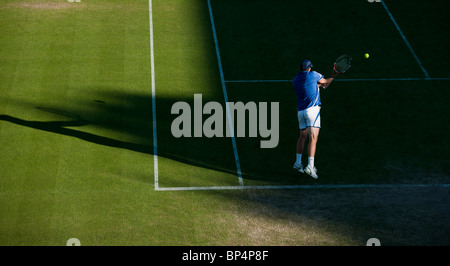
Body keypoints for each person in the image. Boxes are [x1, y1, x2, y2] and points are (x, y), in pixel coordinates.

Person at [292, 59, 333, 179]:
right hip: (312, 111)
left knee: (302, 136)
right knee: (313, 138)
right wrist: (331, 79)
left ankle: (298, 163)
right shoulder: (314, 74)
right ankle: (310, 166)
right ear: (309, 68)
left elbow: (312, 86)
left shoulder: (295, 80)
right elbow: (325, 82)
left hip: (301, 112)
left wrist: (321, 85)